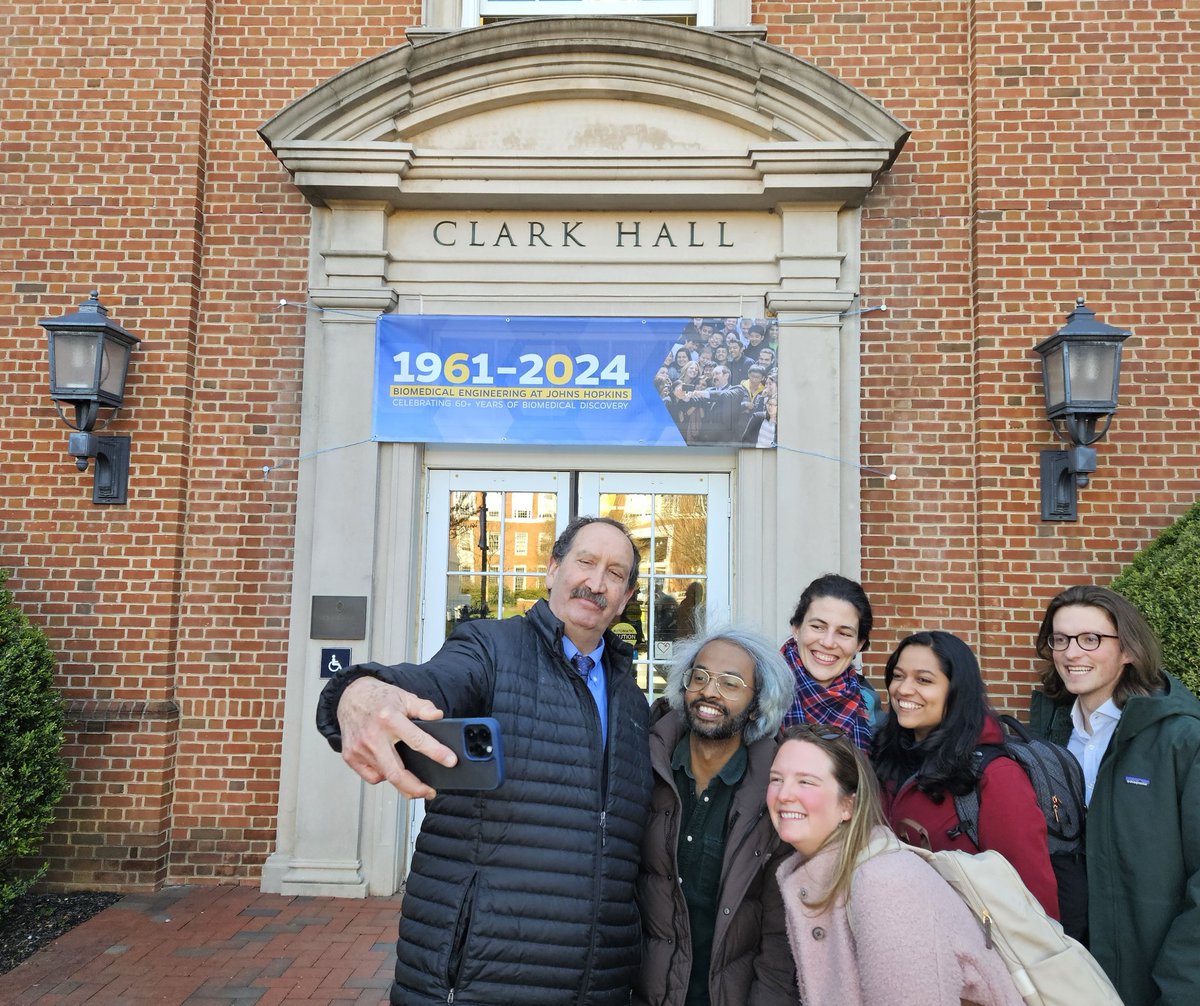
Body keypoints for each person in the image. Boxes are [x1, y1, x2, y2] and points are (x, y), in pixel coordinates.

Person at [315, 516, 652, 1006]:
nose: (596, 582)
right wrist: (359, 690)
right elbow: (433, 681)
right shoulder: (489, 649)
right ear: (553, 570)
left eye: (615, 574)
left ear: (625, 598)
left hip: (595, 981)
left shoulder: (632, 700)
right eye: (585, 562)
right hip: (479, 976)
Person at [767, 724, 1024, 1006]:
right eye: (776, 779)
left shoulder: (885, 883)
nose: (783, 794)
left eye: (806, 782)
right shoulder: (818, 873)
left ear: (848, 806)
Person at [1028, 585, 1200, 1006]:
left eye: (1091, 639)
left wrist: (1181, 988)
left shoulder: (1181, 739)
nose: (1072, 653)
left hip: (1149, 978)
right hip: (1065, 972)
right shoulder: (1048, 737)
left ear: (1128, 650)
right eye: (1061, 639)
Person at [634, 628, 797, 1006]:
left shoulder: (776, 792)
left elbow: (779, 933)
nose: (710, 692)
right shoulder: (644, 765)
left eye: (731, 683)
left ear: (757, 703)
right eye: (701, 676)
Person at [872, 630, 1060, 919]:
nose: (904, 689)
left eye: (923, 680)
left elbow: (1032, 898)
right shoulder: (884, 757)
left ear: (957, 690)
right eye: (898, 676)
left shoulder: (996, 776)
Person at [780, 574, 881, 750]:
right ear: (796, 629)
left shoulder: (870, 710)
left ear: (859, 644)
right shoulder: (757, 693)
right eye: (818, 627)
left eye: (844, 633)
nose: (828, 642)